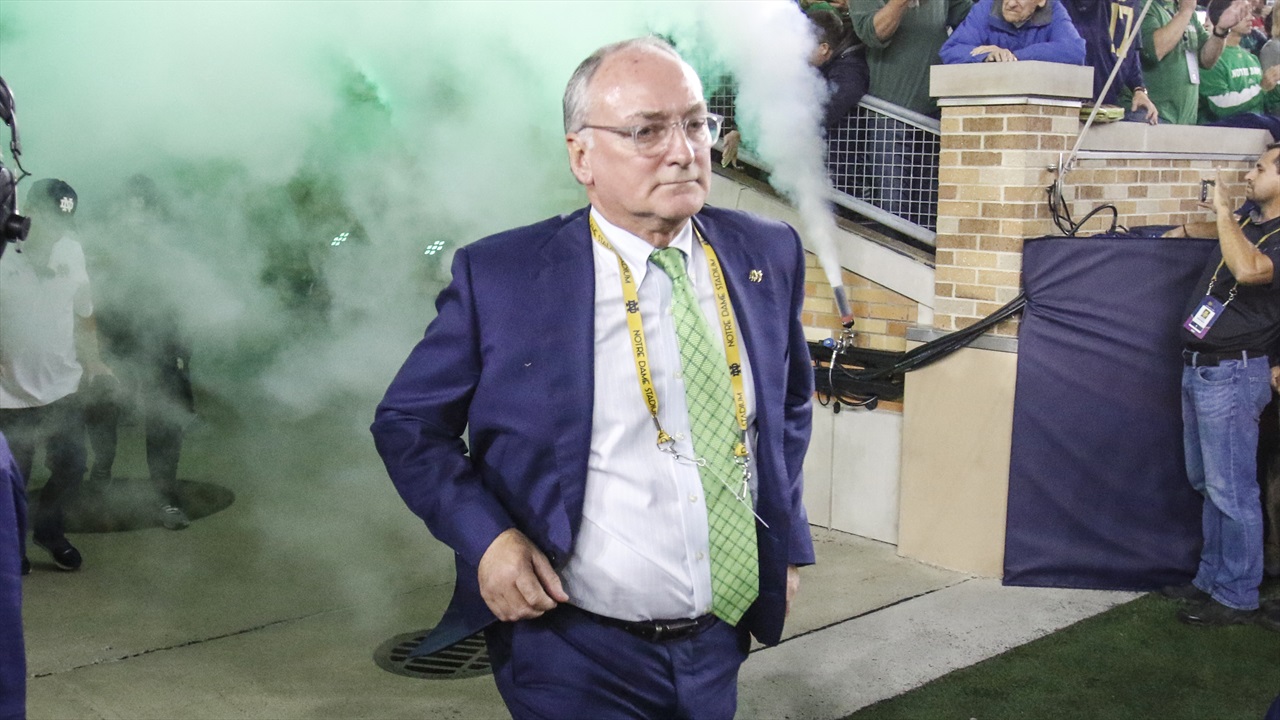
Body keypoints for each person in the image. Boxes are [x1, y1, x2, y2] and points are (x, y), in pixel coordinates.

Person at [372, 37, 815, 718]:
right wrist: (487, 541)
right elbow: (408, 423)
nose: (683, 151)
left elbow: (786, 409)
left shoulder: (767, 250)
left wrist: (785, 542)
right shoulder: (505, 277)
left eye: (696, 123)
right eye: (646, 131)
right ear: (581, 156)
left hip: (718, 641)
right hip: (571, 650)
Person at [1160, 145, 1280, 627]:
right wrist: (1192, 227)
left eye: (1261, 168)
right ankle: (1211, 579)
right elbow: (1227, 236)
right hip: (1201, 368)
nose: (1250, 175)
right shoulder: (1252, 222)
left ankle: (1237, 594)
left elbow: (1250, 270)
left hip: (1234, 371)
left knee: (1232, 490)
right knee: (1208, 483)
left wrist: (1226, 211)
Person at [0, 179, 111, 573]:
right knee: (14, 479)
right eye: (49, 220)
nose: (55, 233)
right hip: (9, 393)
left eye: (63, 224)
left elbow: (84, 312)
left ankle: (49, 531)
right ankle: (13, 550)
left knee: (72, 466)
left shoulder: (71, 250)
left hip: (63, 385)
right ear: (27, 212)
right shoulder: (2, 253)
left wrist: (94, 360)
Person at [83, 175, 194, 530]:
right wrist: (95, 348)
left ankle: (165, 498)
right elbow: (91, 295)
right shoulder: (106, 244)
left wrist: (182, 350)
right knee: (103, 410)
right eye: (132, 204)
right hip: (115, 341)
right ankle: (101, 473)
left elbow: (184, 298)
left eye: (145, 206)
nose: (138, 213)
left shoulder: (170, 247)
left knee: (164, 420)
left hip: (160, 343)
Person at [1137, 0, 1251, 124]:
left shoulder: (1184, 9)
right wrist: (1186, 11)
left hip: (1186, 118)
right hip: (1153, 116)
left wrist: (1220, 31)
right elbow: (1154, 51)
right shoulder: (1143, 5)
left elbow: (1206, 60)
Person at [1062, 0, 1161, 123]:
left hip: (1108, 101)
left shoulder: (1134, 3)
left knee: (1144, 118)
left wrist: (1139, 89)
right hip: (1075, 95)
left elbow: (1131, 48)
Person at [1198, 0, 1280, 122]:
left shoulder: (1251, 58)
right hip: (1225, 131)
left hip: (1256, 130)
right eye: (1243, 12)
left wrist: (1275, 87)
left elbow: (1266, 100)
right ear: (1222, 15)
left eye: (1249, 12)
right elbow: (1221, 106)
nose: (1251, 18)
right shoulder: (1210, 59)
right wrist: (1262, 88)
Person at [940, 0, 1087, 64]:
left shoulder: (1053, 10)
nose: (1010, 3)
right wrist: (987, 56)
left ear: (1041, 1)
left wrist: (1013, 57)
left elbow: (1074, 51)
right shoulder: (985, 8)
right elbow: (951, 51)